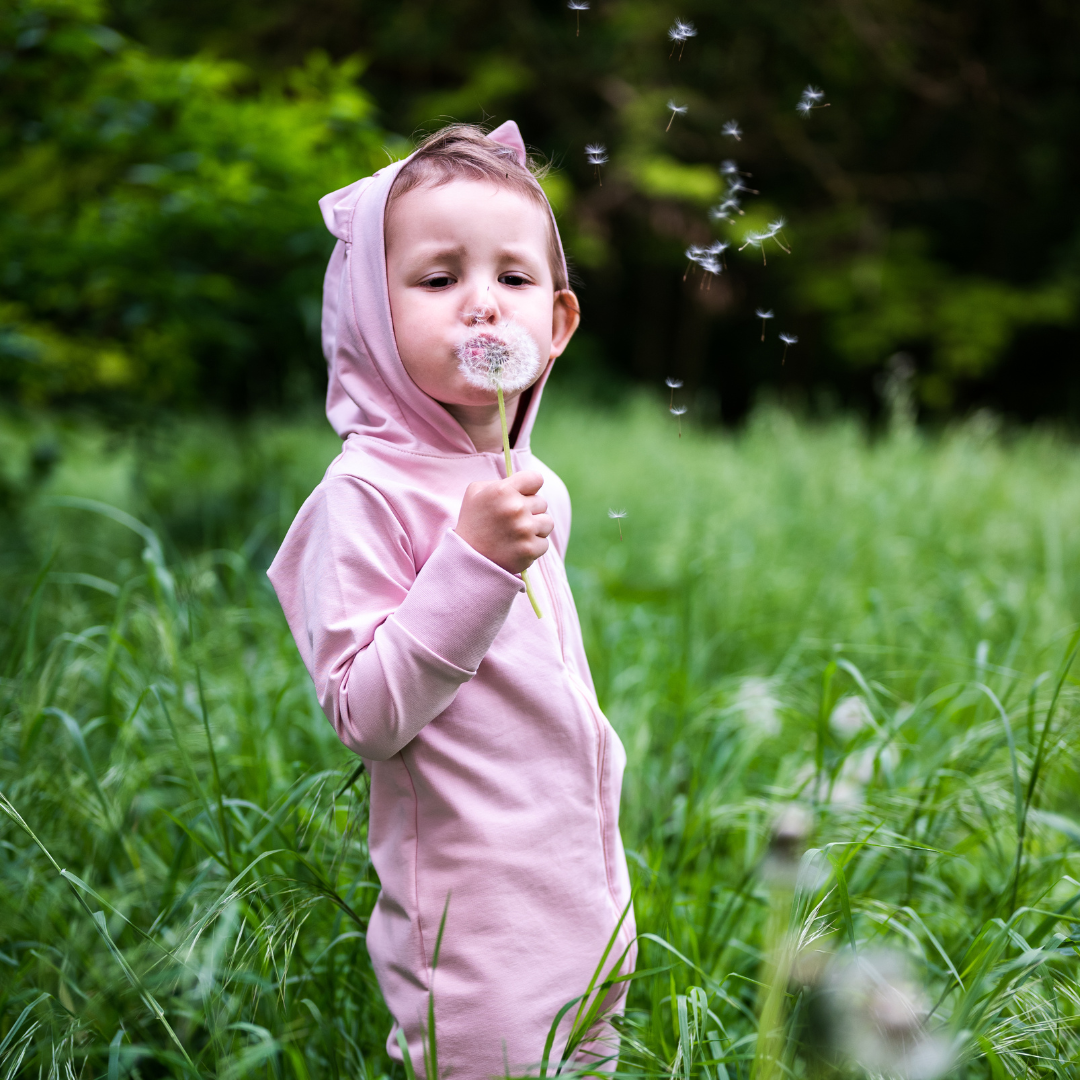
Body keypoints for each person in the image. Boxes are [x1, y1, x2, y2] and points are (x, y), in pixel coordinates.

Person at [268, 120, 635, 1077]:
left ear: (557, 323)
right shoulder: (362, 495)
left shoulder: (534, 486)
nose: (482, 304)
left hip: (582, 885)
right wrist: (471, 563)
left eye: (513, 278)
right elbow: (365, 714)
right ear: (369, 317)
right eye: (437, 280)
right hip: (472, 918)